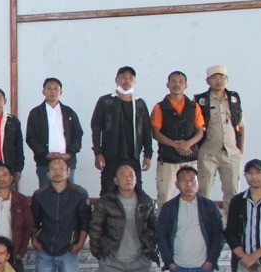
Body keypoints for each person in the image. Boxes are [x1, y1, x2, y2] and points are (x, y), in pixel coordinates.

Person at [29, 156, 91, 272]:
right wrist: (34, 241)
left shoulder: (79, 193)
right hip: (45, 250)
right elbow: (33, 221)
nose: (57, 172)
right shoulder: (39, 195)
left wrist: (80, 243)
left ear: (68, 172)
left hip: (68, 251)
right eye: (53, 169)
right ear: (48, 174)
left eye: (61, 168)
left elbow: (85, 222)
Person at [156, 165, 224, 272]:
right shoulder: (169, 208)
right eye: (184, 181)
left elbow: (219, 236)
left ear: (198, 183)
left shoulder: (209, 206)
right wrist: (169, 262)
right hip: (178, 269)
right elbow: (161, 236)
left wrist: (211, 261)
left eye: (192, 180)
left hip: (204, 268)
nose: (189, 184)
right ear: (176, 184)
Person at [90, 66, 154, 196]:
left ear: (134, 82)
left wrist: (148, 155)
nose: (127, 80)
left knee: (136, 191)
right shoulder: (105, 101)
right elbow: (96, 129)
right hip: (110, 156)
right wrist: (98, 153)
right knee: (108, 191)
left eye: (130, 78)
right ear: (116, 80)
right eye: (123, 77)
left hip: (133, 156)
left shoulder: (140, 103)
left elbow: (147, 131)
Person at [151, 71, 206, 205]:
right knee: (165, 196)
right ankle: (164, 219)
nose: (177, 84)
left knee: (192, 195)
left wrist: (188, 144)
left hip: (190, 157)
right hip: (168, 158)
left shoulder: (194, 106)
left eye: (181, 81)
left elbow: (200, 132)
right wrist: (177, 145)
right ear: (167, 85)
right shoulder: (159, 107)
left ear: (186, 85)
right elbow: (156, 133)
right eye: (173, 81)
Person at [194, 65, 244, 204]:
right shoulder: (200, 100)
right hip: (207, 153)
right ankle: (203, 218)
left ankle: (231, 219)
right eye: (214, 78)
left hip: (231, 153)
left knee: (232, 193)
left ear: (227, 79)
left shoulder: (234, 98)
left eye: (222, 77)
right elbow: (195, 127)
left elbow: (241, 126)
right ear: (207, 81)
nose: (218, 81)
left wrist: (240, 150)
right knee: (203, 192)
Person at [24, 77, 83, 190]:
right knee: (45, 194)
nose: (53, 92)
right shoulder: (35, 113)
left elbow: (78, 135)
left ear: (61, 92)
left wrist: (70, 153)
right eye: (49, 88)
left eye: (56, 89)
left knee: (69, 194)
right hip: (44, 162)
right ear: (43, 92)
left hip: (67, 161)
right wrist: (44, 154)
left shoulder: (69, 112)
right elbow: (31, 138)